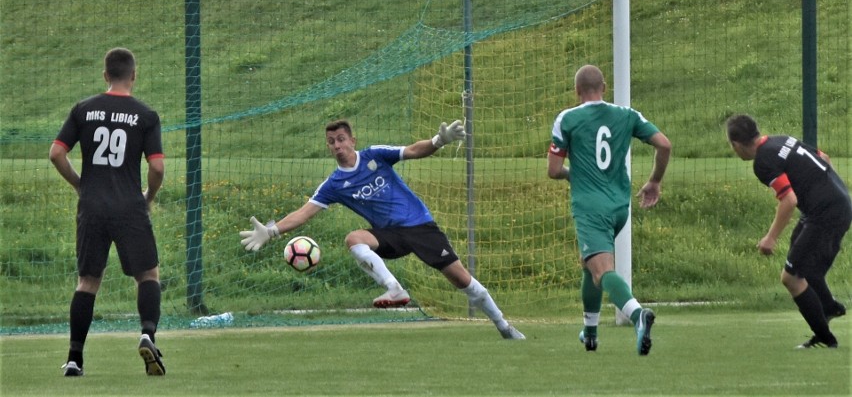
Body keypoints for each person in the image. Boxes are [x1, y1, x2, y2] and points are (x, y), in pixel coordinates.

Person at [239, 119, 525, 340]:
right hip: (389, 235)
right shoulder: (334, 184)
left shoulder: (375, 155)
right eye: (331, 142)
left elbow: (412, 150)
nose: (337, 146)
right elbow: (304, 213)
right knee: (354, 239)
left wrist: (439, 140)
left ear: (353, 140)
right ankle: (394, 289)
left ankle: (503, 326)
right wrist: (272, 231)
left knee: (463, 280)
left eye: (341, 139)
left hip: (419, 226)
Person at [49, 48, 166, 376]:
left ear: (105, 76)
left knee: (87, 281)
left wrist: (79, 184)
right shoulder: (145, 115)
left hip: (93, 206)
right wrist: (149, 196)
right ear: (134, 75)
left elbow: (56, 153)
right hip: (129, 205)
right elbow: (156, 167)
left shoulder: (83, 110)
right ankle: (147, 334)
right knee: (147, 275)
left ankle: (74, 359)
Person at [547, 65, 671, 355]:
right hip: (618, 206)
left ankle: (638, 314)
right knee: (589, 263)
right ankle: (590, 332)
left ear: (577, 91)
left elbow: (553, 171)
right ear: (605, 86)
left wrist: (573, 174)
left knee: (602, 269)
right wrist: (654, 181)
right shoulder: (627, 115)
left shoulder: (567, 118)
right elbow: (664, 145)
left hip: (590, 207)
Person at [726, 114, 849, 349]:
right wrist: (828, 192)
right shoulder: (781, 140)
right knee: (805, 267)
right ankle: (829, 307)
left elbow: (789, 200)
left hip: (824, 214)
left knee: (790, 277)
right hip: (836, 204)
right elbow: (824, 158)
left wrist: (770, 238)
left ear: (736, 144)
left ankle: (825, 338)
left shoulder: (762, 161)